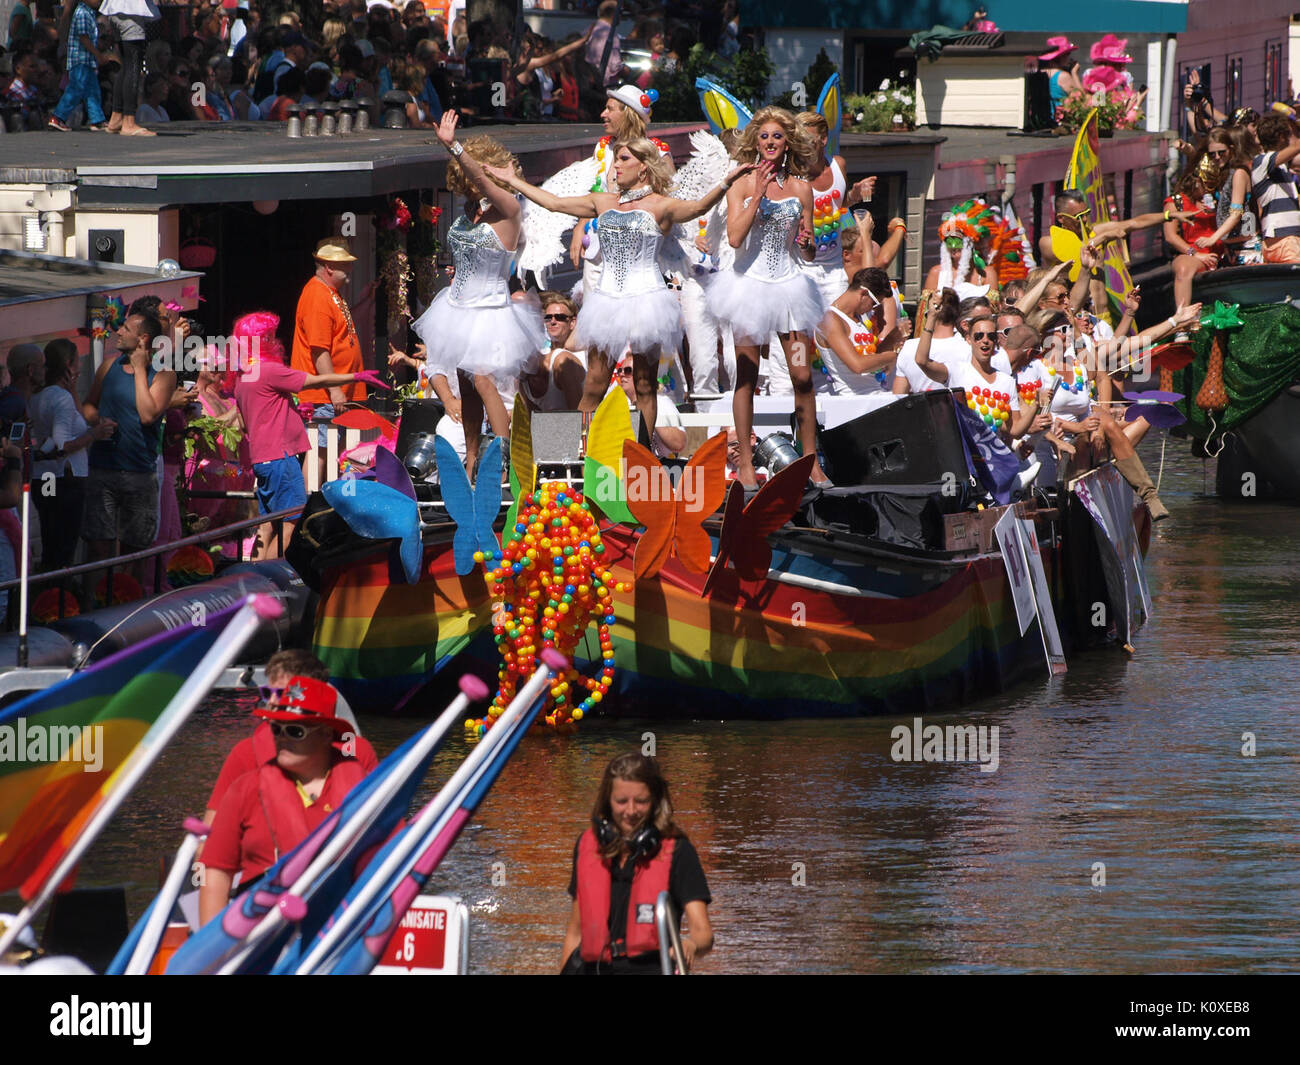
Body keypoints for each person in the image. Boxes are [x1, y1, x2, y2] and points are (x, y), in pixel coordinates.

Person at [489, 137, 751, 449]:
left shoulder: (661, 205)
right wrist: (513, 180)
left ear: (643, 167)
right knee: (595, 385)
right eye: (616, 159)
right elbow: (554, 203)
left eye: (623, 159)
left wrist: (726, 181)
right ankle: (578, 456)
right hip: (607, 301)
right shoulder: (603, 201)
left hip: (647, 300)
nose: (616, 166)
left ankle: (641, 456)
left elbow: (698, 207)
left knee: (644, 385)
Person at [408, 113, 544, 476]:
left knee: (483, 379)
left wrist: (454, 146)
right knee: (467, 388)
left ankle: (503, 464)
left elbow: (481, 178)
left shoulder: (510, 210)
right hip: (457, 307)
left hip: (490, 309)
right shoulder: (470, 212)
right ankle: (471, 464)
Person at [707, 107, 826, 487]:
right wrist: (757, 193)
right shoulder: (741, 182)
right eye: (764, 136)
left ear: (787, 141)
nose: (771, 142)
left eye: (777, 136)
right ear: (755, 142)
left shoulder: (801, 187)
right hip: (750, 290)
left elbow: (807, 249)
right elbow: (735, 238)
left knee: (803, 376)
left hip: (790, 289)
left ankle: (811, 461)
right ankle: (744, 464)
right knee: (747, 375)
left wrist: (808, 244)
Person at [199, 674, 371, 925]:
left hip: (338, 926)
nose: (281, 737)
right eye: (276, 728)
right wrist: (211, 954)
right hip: (259, 926)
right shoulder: (245, 789)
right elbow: (214, 874)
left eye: (294, 730)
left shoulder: (363, 788)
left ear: (325, 734)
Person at [234, 310, 378, 560]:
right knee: (292, 521)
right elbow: (313, 381)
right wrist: (356, 376)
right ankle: (271, 579)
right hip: (280, 458)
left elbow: (246, 424)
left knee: (267, 524)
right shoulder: (268, 370)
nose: (275, 341)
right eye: (270, 336)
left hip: (262, 459)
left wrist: (286, 411)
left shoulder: (243, 377)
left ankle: (253, 577)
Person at [562, 753, 712, 974]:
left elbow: (704, 933)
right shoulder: (587, 846)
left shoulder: (678, 851)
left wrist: (690, 945)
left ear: (655, 802)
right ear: (607, 801)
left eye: (641, 801)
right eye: (621, 801)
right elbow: (574, 934)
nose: (630, 811)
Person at [202, 649, 378, 828]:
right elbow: (211, 829)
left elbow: (380, 822)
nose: (271, 701)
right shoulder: (245, 753)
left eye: (282, 694)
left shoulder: (357, 751)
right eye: (266, 692)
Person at [81, 310, 174, 563]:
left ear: (143, 339)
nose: (118, 332)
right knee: (98, 549)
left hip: (139, 475)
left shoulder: (164, 375)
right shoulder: (109, 366)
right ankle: (97, 600)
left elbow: (147, 415)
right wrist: (96, 421)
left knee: (135, 552)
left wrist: (140, 369)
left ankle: (131, 598)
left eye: (125, 329)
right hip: (102, 470)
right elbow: (88, 404)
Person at [290, 236, 370, 485]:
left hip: (342, 394)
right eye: (345, 265)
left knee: (348, 453)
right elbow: (319, 350)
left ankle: (339, 509)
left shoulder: (330, 292)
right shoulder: (317, 294)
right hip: (324, 396)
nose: (351, 270)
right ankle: (301, 517)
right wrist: (335, 391)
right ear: (329, 267)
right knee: (319, 455)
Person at [29, 340, 111, 572]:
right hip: (65, 479)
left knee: (49, 534)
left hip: (44, 477)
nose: (79, 368)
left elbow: (76, 420)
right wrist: (94, 434)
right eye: (76, 362)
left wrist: (73, 389)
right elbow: (63, 444)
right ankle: (57, 599)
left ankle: (49, 593)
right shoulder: (60, 399)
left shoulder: (39, 395)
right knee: (63, 543)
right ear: (68, 364)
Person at [913, 300, 1038, 442]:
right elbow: (922, 361)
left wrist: (1035, 406)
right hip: (962, 455)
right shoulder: (956, 371)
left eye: (990, 336)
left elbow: (1015, 430)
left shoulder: (1007, 382)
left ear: (995, 341)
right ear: (968, 339)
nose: (985, 340)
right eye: (979, 336)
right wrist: (931, 319)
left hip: (991, 459)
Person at [795, 110, 878, 306]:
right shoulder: (793, 174)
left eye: (808, 139)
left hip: (834, 266)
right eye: (798, 140)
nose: (802, 145)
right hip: (801, 266)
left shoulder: (837, 165)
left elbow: (838, 205)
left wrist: (855, 195)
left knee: (838, 323)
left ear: (823, 139)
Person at [812, 269, 898, 396]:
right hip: (854, 400)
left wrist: (893, 338)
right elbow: (858, 365)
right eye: (873, 303)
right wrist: (892, 357)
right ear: (863, 293)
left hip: (874, 394)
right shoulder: (830, 320)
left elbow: (868, 357)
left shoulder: (858, 318)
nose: (872, 308)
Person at [47, 0, 108, 132]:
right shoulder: (82, 13)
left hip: (87, 60)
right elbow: (84, 38)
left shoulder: (90, 13)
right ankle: (58, 117)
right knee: (76, 88)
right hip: (80, 59)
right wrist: (98, 54)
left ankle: (97, 119)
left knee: (92, 90)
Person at [100, 0, 158, 135]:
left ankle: (116, 117)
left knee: (126, 65)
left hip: (116, 8)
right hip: (131, 9)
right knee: (133, 64)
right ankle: (128, 121)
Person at [1249, 113, 1300, 264]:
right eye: (1288, 135)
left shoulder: (1282, 167)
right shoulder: (1261, 161)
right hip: (1284, 239)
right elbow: (1297, 146)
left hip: (1284, 239)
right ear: (1280, 136)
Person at [585, 0, 621, 87]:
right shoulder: (610, 34)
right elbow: (615, 66)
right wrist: (625, 69)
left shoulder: (589, 31)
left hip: (588, 83)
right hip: (605, 86)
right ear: (614, 13)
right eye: (620, 12)